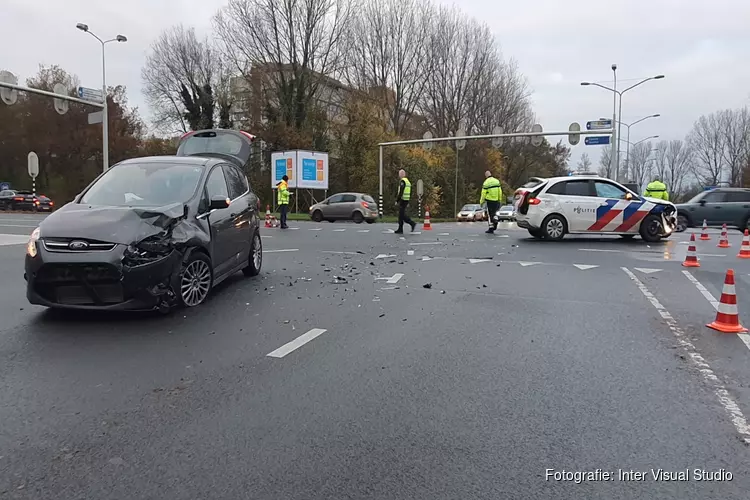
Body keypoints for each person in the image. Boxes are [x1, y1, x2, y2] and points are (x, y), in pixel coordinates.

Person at [394, 169, 416, 234]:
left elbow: (401, 192)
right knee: (401, 215)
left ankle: (411, 224)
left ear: (402, 174)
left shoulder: (403, 181)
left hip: (403, 200)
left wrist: (397, 200)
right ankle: (401, 228)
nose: (399, 175)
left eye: (399, 174)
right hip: (406, 199)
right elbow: (410, 192)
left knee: (401, 215)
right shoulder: (408, 181)